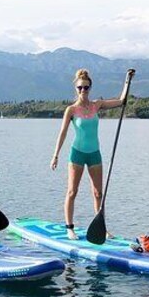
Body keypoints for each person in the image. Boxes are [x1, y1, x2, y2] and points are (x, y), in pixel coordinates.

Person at [51, 68, 135, 240]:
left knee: (98, 193)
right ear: (76, 88)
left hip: (94, 153)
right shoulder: (71, 110)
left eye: (86, 87)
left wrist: (127, 80)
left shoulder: (97, 105)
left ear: (90, 88)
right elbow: (63, 133)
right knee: (72, 191)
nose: (83, 91)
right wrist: (56, 155)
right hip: (77, 154)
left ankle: (101, 228)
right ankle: (69, 228)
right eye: (80, 88)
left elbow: (121, 101)